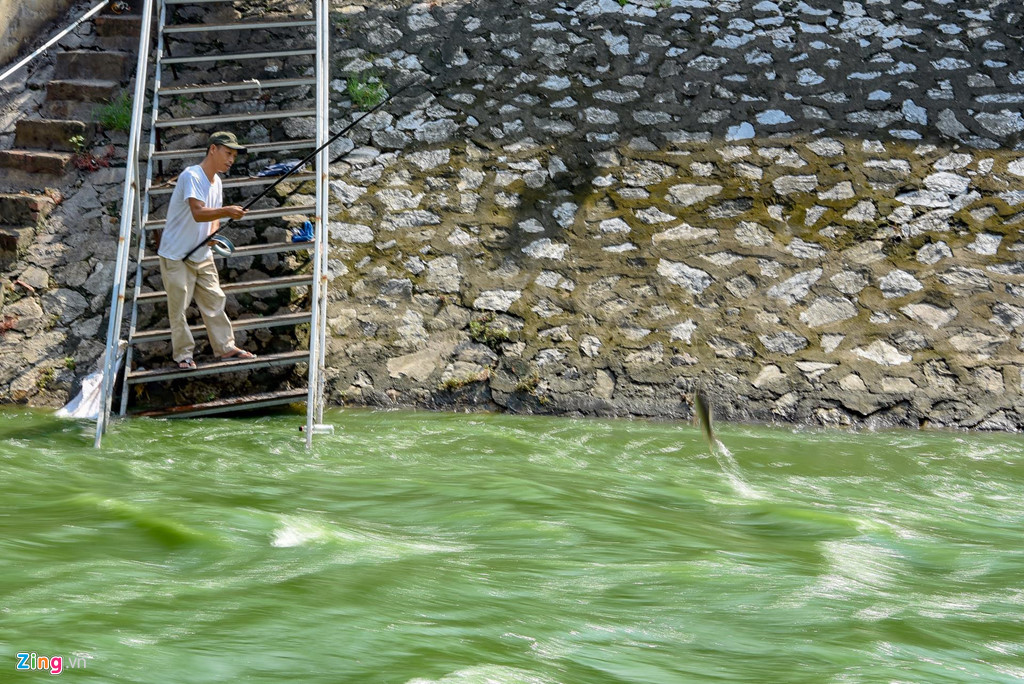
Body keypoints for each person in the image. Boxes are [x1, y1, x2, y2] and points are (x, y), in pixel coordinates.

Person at [158, 130, 256, 369]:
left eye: (234, 155)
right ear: (213, 149)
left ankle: (224, 347)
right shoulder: (192, 175)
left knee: (214, 300)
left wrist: (213, 235)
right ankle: (183, 355)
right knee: (179, 307)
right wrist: (228, 211)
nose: (231, 159)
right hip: (176, 255)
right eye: (228, 153)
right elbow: (198, 211)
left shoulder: (218, 181)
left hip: (202, 253)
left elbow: (212, 218)